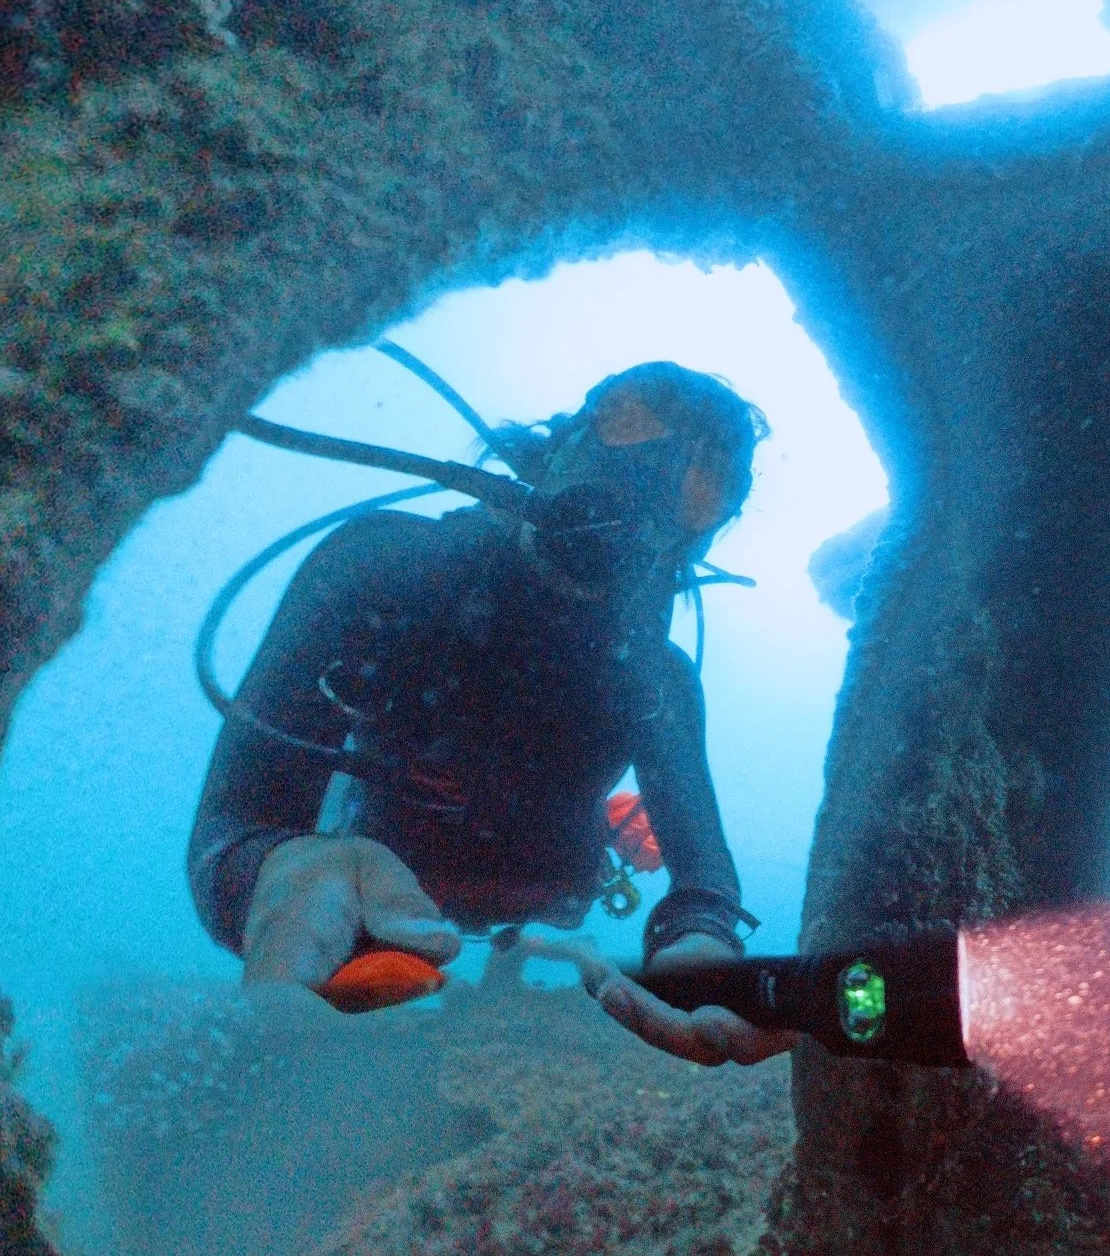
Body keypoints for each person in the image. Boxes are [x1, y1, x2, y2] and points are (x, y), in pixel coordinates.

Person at [188, 361, 791, 1067]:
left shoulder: (654, 675)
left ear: (704, 530)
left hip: (545, 889)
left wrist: (701, 948)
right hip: (382, 878)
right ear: (564, 442)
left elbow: (704, 882)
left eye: (701, 480)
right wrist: (275, 874)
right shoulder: (387, 569)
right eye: (632, 424)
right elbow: (234, 824)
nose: (649, 479)